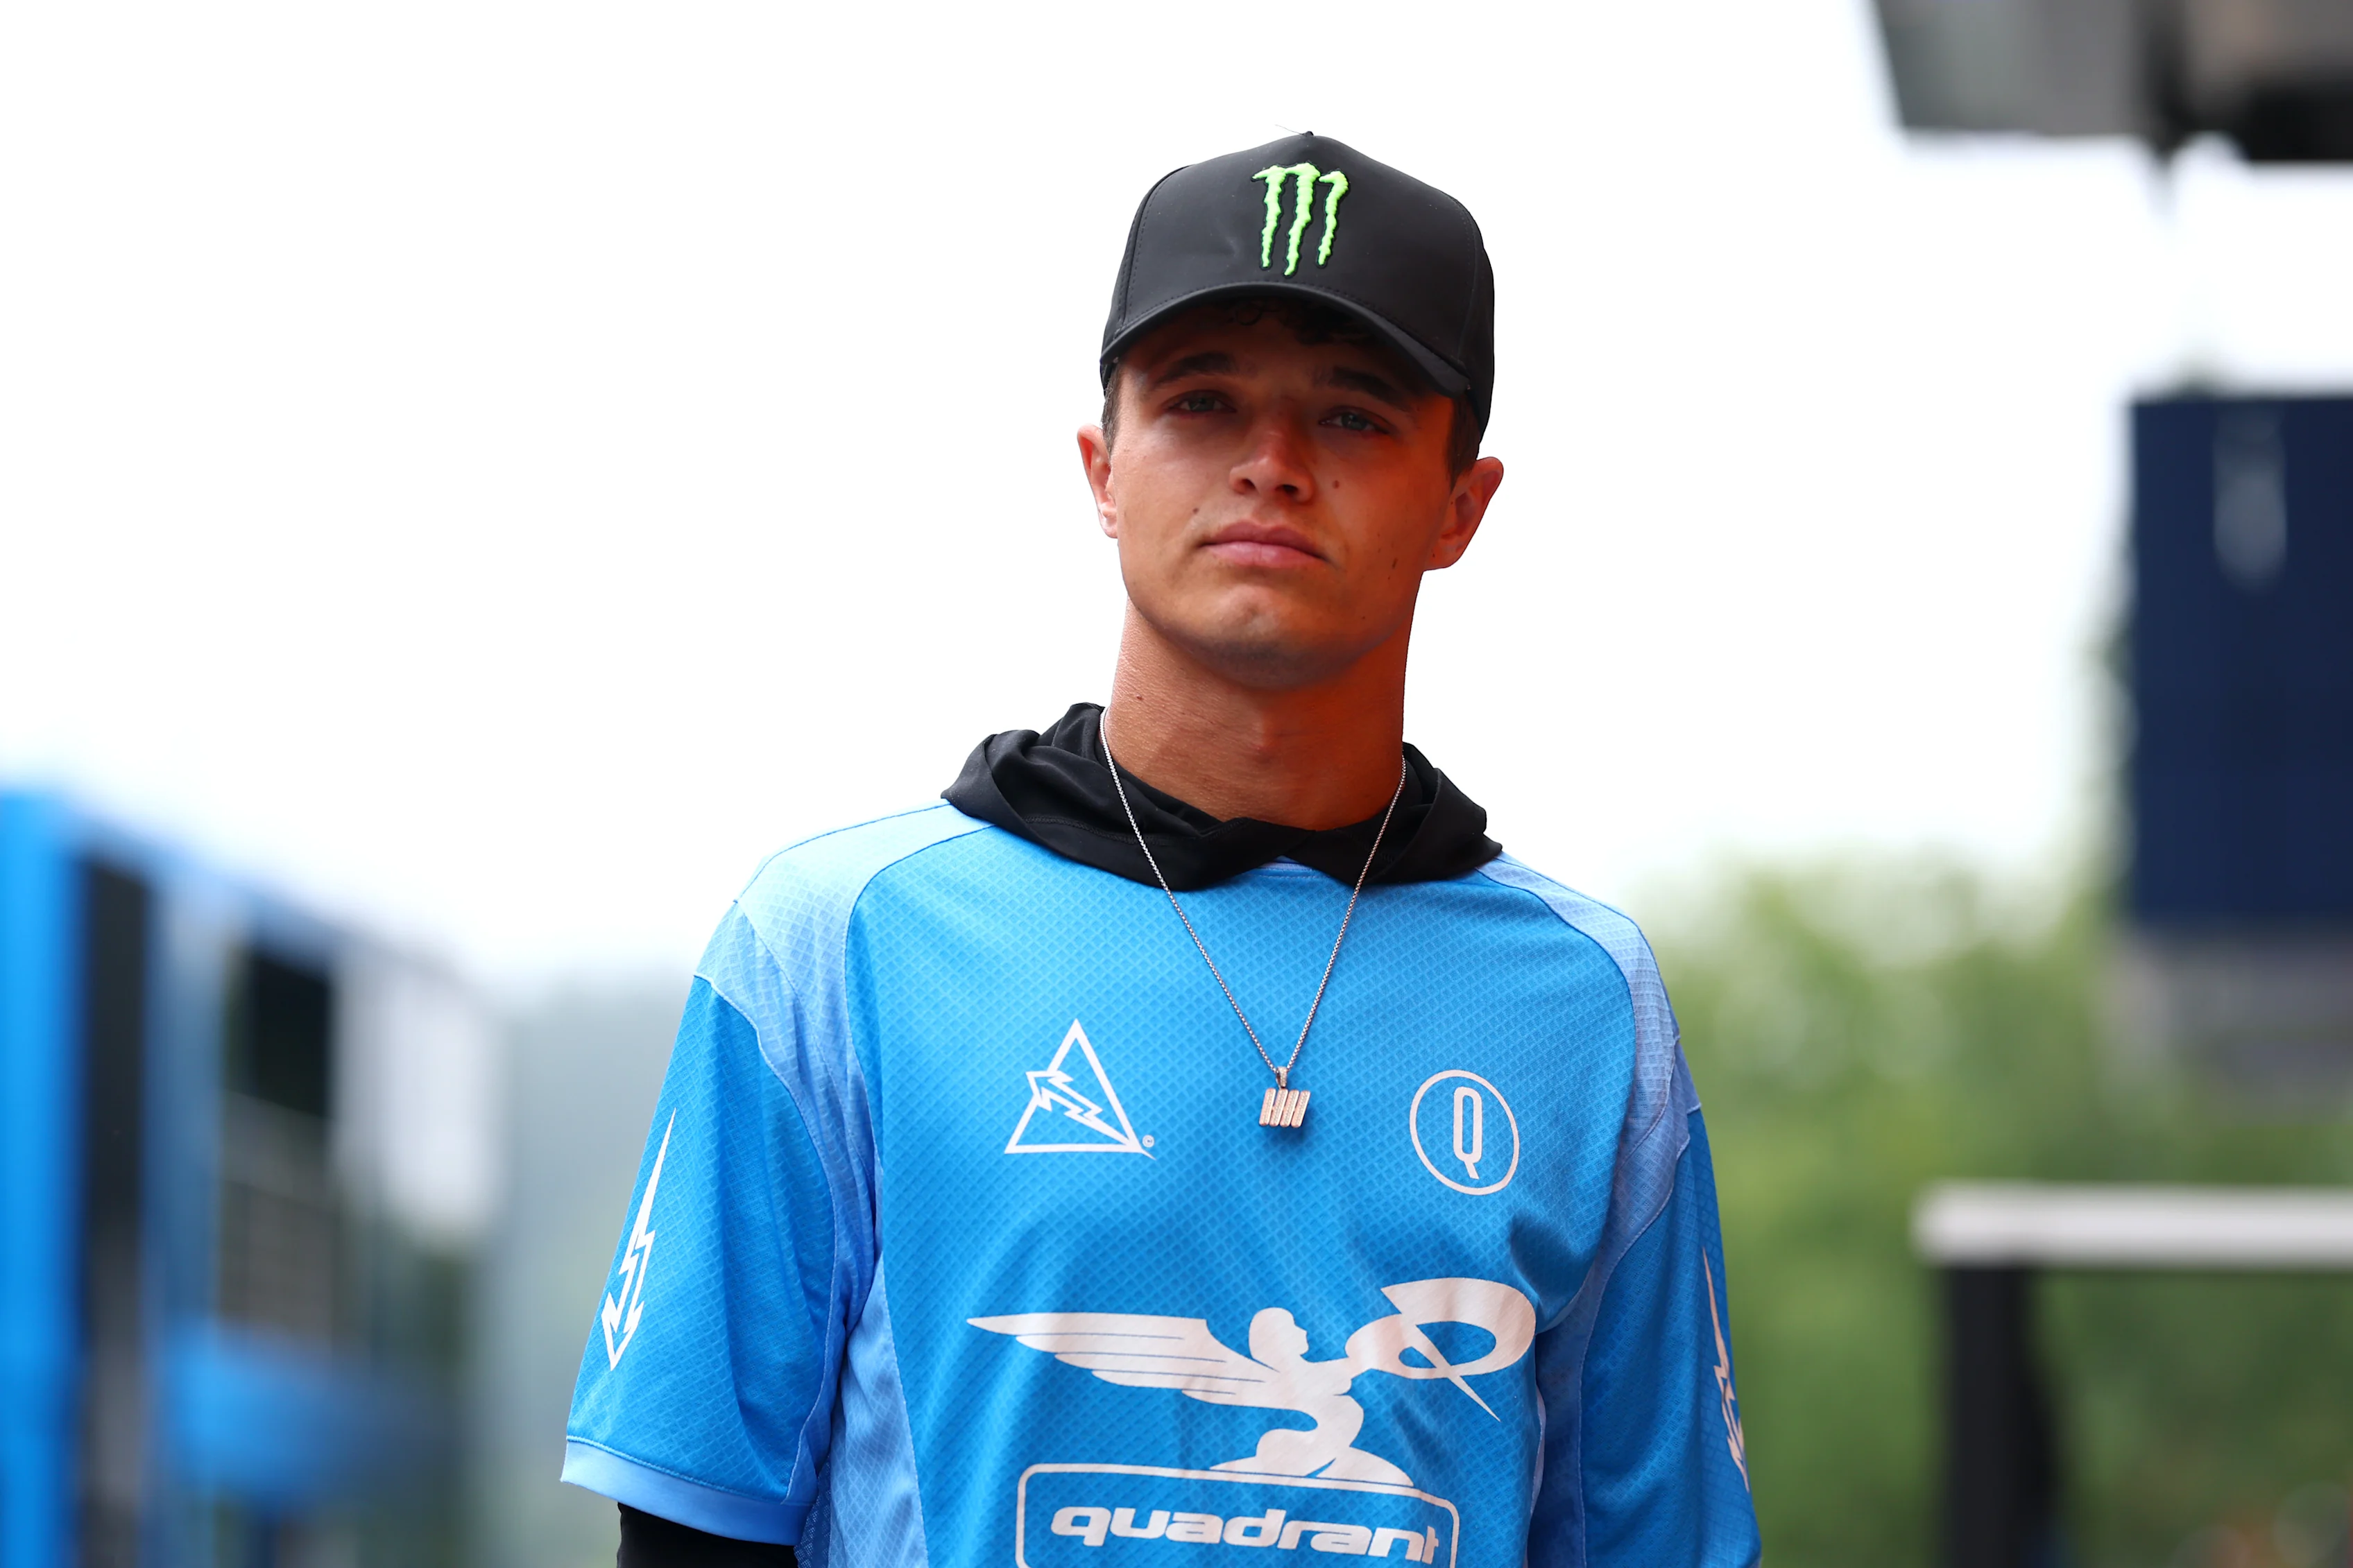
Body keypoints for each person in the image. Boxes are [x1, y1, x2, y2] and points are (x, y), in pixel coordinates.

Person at [563, 132, 1760, 1568]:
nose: (1270, 466)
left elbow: (1651, 1539)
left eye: (1355, 415)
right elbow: (696, 1529)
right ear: (1103, 466)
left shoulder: (1584, 1004)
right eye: (1200, 403)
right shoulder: (833, 940)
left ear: (1462, 502)